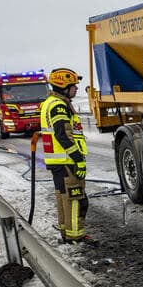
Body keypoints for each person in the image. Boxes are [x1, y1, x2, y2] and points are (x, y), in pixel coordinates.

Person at [40, 67, 90, 244]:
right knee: (76, 200)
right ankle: (75, 237)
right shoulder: (59, 106)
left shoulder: (50, 103)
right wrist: (78, 160)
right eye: (73, 85)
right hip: (67, 161)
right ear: (63, 86)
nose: (76, 88)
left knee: (64, 199)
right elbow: (63, 136)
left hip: (58, 162)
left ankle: (66, 234)